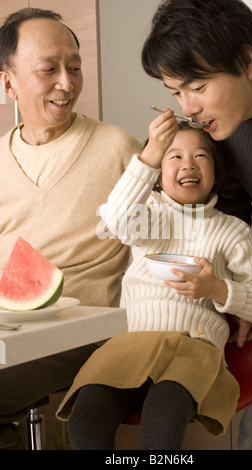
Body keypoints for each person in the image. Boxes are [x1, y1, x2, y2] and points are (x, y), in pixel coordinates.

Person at [56, 111, 252, 450]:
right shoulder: (147, 217)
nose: (188, 164)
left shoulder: (233, 232)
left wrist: (217, 288)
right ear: (157, 176)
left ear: (217, 174)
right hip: (129, 342)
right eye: (174, 156)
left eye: (200, 156)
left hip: (194, 345)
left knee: (163, 427)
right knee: (85, 422)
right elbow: (115, 219)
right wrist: (148, 155)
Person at [140, 0, 252, 450]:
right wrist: (238, 291)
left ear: (248, 62)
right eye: (175, 92)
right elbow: (229, 205)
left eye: (198, 86)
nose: (189, 107)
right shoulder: (217, 127)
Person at [0, 8, 142, 449]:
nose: (67, 82)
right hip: (10, 332)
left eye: (75, 68)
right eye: (49, 69)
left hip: (87, 334)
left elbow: (171, 237)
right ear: (7, 84)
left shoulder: (119, 149)